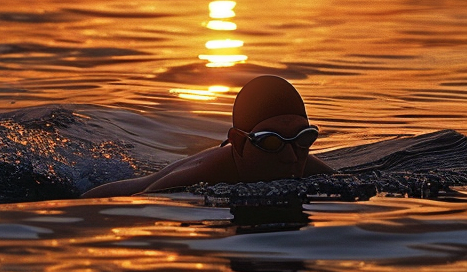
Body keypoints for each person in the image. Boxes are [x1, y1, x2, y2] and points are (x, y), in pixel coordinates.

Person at [82, 75, 333, 197]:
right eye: (271, 142)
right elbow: (138, 203)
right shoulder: (200, 178)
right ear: (238, 142)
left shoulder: (300, 162)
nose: (291, 157)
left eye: (303, 139)